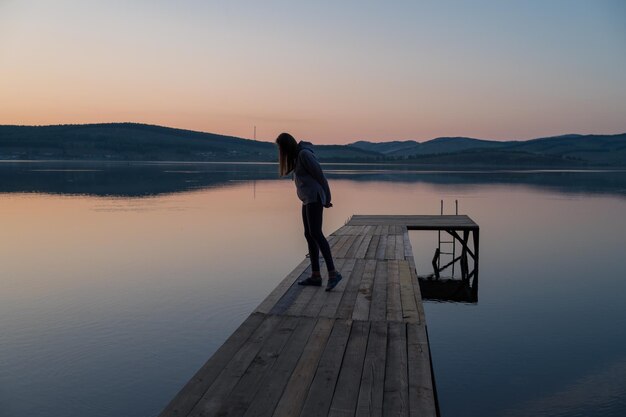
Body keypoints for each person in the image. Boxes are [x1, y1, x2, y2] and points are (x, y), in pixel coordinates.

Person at [276, 132, 343, 291]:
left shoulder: (305, 154)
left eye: (281, 148)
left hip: (315, 197)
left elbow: (321, 177)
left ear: (287, 146)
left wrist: (327, 198)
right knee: (309, 234)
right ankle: (315, 275)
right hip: (307, 199)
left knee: (316, 233)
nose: (280, 151)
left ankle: (333, 273)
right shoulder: (297, 156)